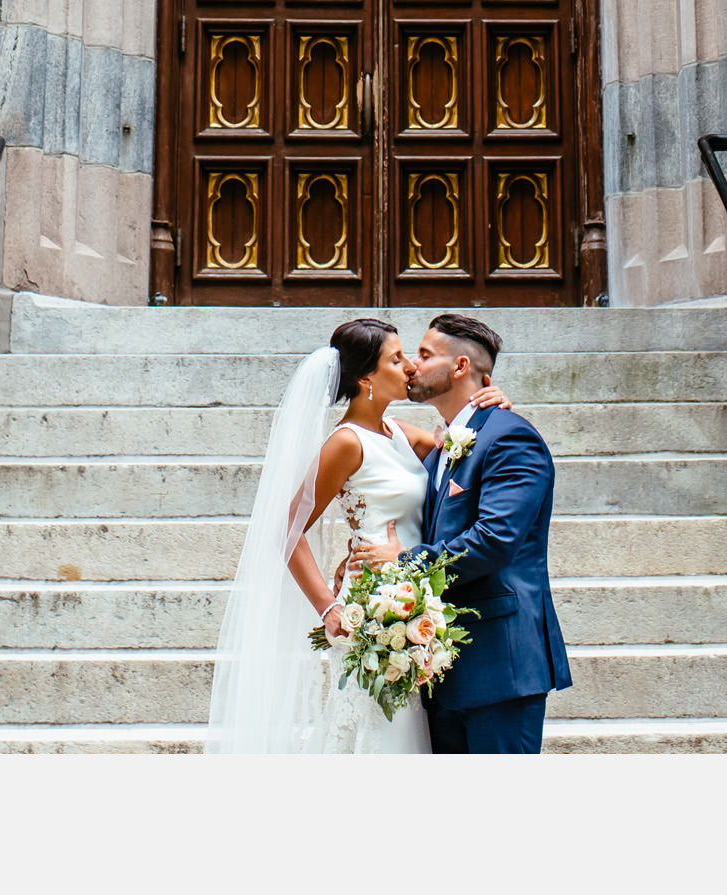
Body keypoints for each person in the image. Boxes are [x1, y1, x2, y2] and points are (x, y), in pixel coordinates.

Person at [205, 317, 511, 754]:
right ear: (366, 377)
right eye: (396, 358)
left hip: (417, 597)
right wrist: (328, 607)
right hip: (373, 608)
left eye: (409, 355)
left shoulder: (402, 433)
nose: (409, 367)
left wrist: (492, 405)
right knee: (381, 734)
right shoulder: (346, 443)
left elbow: (467, 452)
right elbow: (286, 531)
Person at [357, 313, 571, 755]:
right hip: (443, 667)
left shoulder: (510, 437)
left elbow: (494, 539)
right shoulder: (441, 449)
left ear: (459, 368)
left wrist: (405, 561)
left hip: (500, 666)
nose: (412, 365)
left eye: (424, 354)